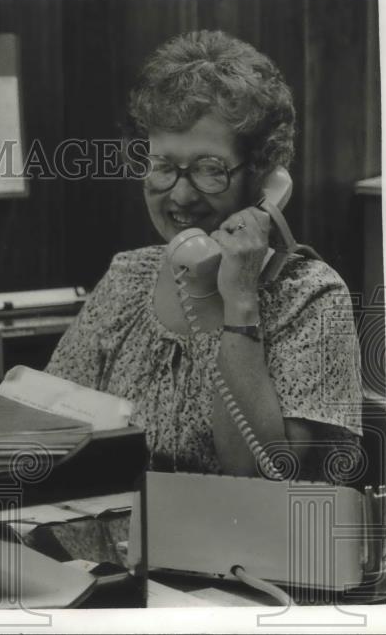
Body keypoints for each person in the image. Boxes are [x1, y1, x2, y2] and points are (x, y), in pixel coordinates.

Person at [46, 30, 362, 482]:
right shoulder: (128, 275)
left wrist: (234, 303)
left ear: (261, 179)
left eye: (209, 170)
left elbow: (260, 475)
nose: (180, 193)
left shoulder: (311, 297)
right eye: (162, 166)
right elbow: (51, 424)